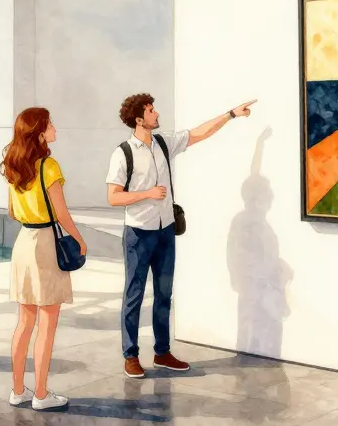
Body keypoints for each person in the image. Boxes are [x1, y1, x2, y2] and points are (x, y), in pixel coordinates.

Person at [106, 93, 256, 379]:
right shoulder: (123, 153)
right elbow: (113, 197)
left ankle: (162, 353)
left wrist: (231, 114)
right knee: (134, 295)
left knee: (165, 294)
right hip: (138, 233)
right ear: (139, 119)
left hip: (165, 231)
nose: (156, 113)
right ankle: (131, 355)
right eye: (151, 110)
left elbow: (200, 133)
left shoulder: (163, 143)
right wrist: (147, 194)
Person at [3, 108, 87, 412]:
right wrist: (79, 239)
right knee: (47, 323)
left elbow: (12, 211)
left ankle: (17, 390)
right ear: (39, 132)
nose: (54, 128)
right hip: (45, 245)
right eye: (50, 124)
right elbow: (61, 213)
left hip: (23, 243)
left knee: (24, 322)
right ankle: (40, 394)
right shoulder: (48, 166)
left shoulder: (14, 165)